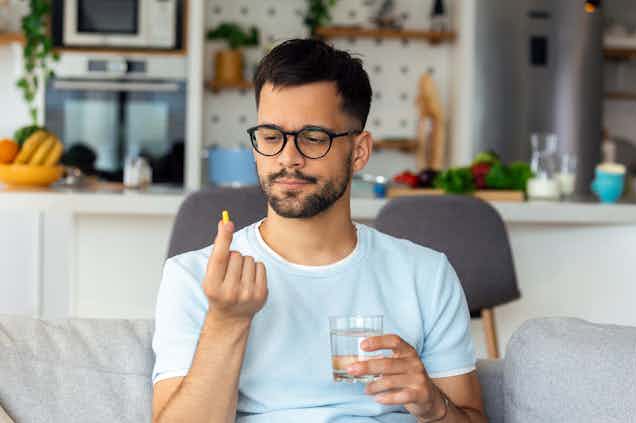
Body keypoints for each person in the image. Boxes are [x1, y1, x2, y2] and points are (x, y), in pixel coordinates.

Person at [151, 38, 487, 423]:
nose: (288, 159)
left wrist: (434, 404)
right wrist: (226, 322)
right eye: (271, 137)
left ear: (359, 151)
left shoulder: (426, 274)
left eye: (313, 138)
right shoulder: (195, 278)